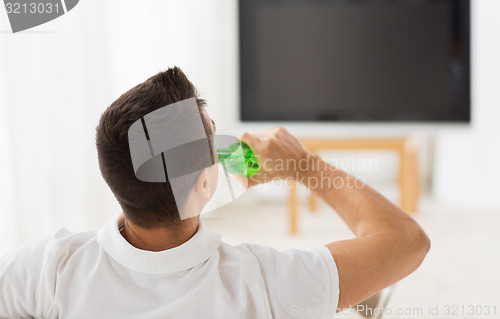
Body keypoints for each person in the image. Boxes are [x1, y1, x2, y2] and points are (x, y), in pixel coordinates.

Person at [0, 67, 430, 319]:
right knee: (371, 301)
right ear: (205, 183)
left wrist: (203, 181)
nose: (226, 144)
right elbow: (406, 243)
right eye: (213, 137)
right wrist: (306, 166)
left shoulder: (50, 269)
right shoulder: (263, 282)